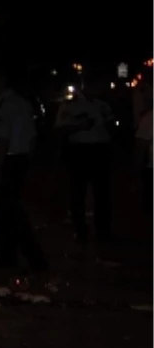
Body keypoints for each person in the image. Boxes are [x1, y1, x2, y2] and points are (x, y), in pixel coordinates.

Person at [0, 71, 48, 271]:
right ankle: (9, 256)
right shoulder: (23, 103)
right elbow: (32, 138)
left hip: (9, 160)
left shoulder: (7, 106)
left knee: (9, 211)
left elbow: (3, 140)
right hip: (20, 159)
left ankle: (32, 258)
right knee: (7, 211)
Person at [54, 78, 113, 244]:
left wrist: (107, 124)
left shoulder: (103, 106)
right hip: (79, 151)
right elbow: (59, 129)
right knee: (77, 192)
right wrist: (80, 126)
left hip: (100, 150)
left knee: (102, 193)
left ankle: (103, 230)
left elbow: (113, 127)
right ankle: (80, 230)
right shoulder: (69, 106)